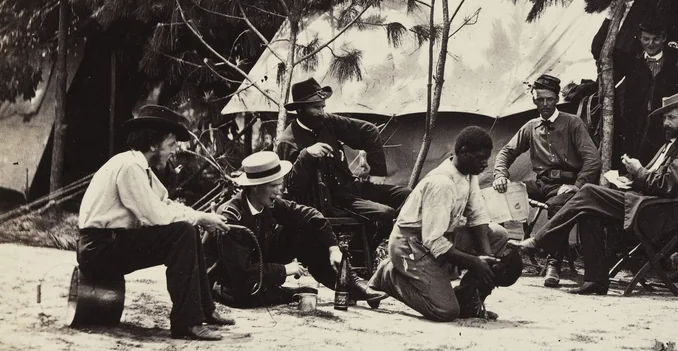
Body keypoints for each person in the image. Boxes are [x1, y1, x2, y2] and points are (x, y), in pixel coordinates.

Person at [516, 93, 678, 295]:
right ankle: (595, 281)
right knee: (588, 212)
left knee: (588, 191)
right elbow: (656, 182)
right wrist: (630, 179)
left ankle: (538, 242)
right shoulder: (669, 146)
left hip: (655, 214)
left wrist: (639, 170)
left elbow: (668, 186)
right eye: (664, 118)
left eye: (672, 118)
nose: (666, 123)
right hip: (644, 205)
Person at [76, 105, 236, 341]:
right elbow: (154, 216)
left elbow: (166, 204)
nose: (174, 153)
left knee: (187, 228)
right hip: (98, 249)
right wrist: (201, 217)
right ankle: (186, 323)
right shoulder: (129, 167)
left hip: (111, 244)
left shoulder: (141, 167)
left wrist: (200, 217)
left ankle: (205, 310)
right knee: (182, 231)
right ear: (153, 144)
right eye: (171, 145)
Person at [368, 127, 521, 322]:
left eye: (487, 157)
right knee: (445, 311)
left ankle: (468, 301)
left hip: (436, 238)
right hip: (410, 246)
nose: (485, 163)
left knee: (498, 235)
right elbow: (432, 241)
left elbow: (477, 216)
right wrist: (474, 262)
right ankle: (389, 277)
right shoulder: (442, 184)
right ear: (464, 152)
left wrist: (487, 258)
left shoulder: (468, 173)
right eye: (480, 157)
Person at [207, 150, 383, 308]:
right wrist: (285, 270)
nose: (279, 191)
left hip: (256, 267)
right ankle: (287, 293)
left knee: (305, 229)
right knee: (250, 295)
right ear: (255, 186)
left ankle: (352, 285)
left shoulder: (268, 202)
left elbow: (313, 216)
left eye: (279, 184)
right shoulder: (231, 216)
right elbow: (242, 272)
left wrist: (333, 249)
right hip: (230, 282)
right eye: (273, 186)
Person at [491, 73, 601, 287]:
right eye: (539, 99)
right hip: (541, 183)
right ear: (534, 99)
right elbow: (506, 152)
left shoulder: (573, 123)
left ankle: (553, 263)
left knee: (557, 206)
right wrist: (500, 175)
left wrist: (577, 186)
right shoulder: (531, 126)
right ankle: (497, 255)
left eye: (549, 99)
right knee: (497, 195)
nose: (544, 104)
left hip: (564, 185)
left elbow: (593, 159)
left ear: (557, 98)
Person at [274, 77, 409, 246]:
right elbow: (293, 187)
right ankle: (355, 258)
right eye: (316, 107)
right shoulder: (288, 141)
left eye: (323, 107)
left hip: (350, 189)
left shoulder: (327, 122)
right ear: (300, 109)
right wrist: (306, 155)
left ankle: (354, 255)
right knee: (385, 214)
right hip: (326, 202)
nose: (321, 112)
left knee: (407, 196)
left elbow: (369, 130)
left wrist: (377, 171)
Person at [592, 16, 678, 162]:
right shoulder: (633, 61)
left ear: (664, 38)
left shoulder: (677, 64)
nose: (651, 44)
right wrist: (611, 17)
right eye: (646, 39)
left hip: (662, 128)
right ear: (640, 38)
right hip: (634, 126)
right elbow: (598, 49)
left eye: (656, 39)